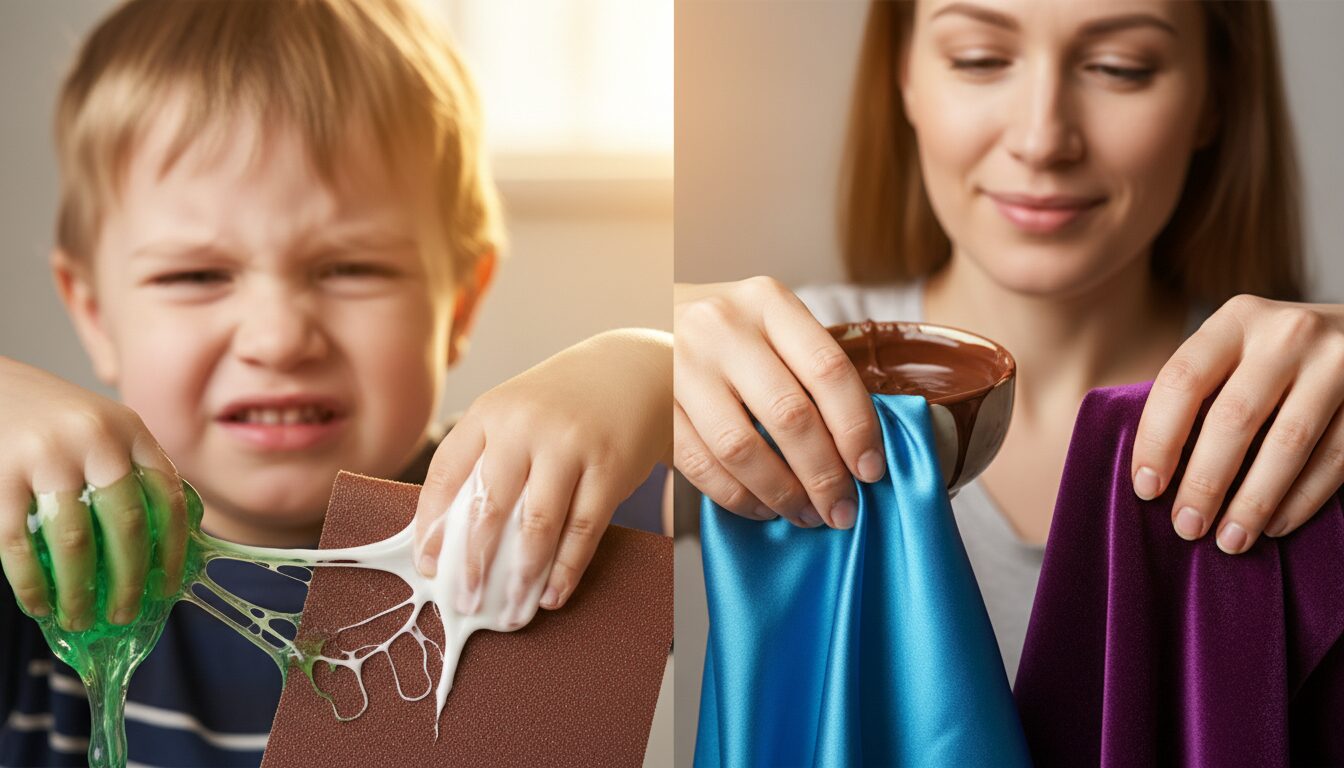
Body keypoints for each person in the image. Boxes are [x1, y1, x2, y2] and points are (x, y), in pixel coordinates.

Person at [0, 0, 671, 764]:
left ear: (463, 300)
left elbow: (791, 493)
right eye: (195, 275)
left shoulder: (538, 513)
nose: (279, 337)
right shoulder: (36, 556)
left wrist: (651, 369)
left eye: (351, 268)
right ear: (93, 313)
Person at [674, 0, 1344, 679]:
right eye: (979, 59)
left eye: (1121, 67)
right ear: (903, 75)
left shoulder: (1315, 408)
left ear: (1214, 95)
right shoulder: (763, 372)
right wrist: (622, 361)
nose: (1041, 139)